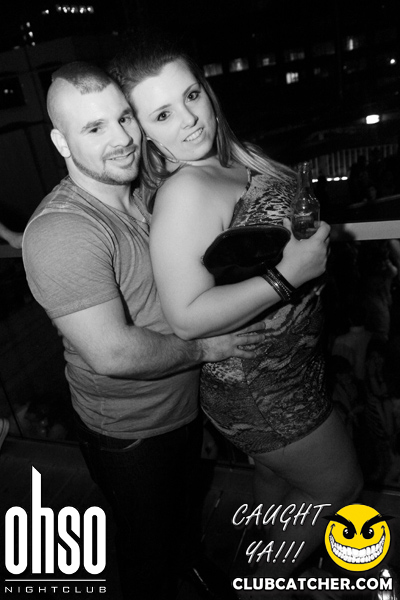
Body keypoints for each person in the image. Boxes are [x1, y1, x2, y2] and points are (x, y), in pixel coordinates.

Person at [110, 36, 363, 592]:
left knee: (275, 483)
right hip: (262, 387)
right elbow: (185, 318)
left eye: (191, 95)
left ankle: (254, 563)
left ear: (206, 89)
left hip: (288, 367)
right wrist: (287, 275)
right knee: (338, 489)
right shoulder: (186, 192)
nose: (189, 120)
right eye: (162, 114)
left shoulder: (231, 155)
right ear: (143, 130)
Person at [22, 62, 268, 600]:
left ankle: (190, 563)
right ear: (61, 143)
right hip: (130, 434)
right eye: (94, 128)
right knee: (145, 552)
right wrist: (205, 348)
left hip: (182, 408)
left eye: (124, 118)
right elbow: (111, 352)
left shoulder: (143, 190)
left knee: (184, 510)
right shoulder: (64, 230)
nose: (123, 139)